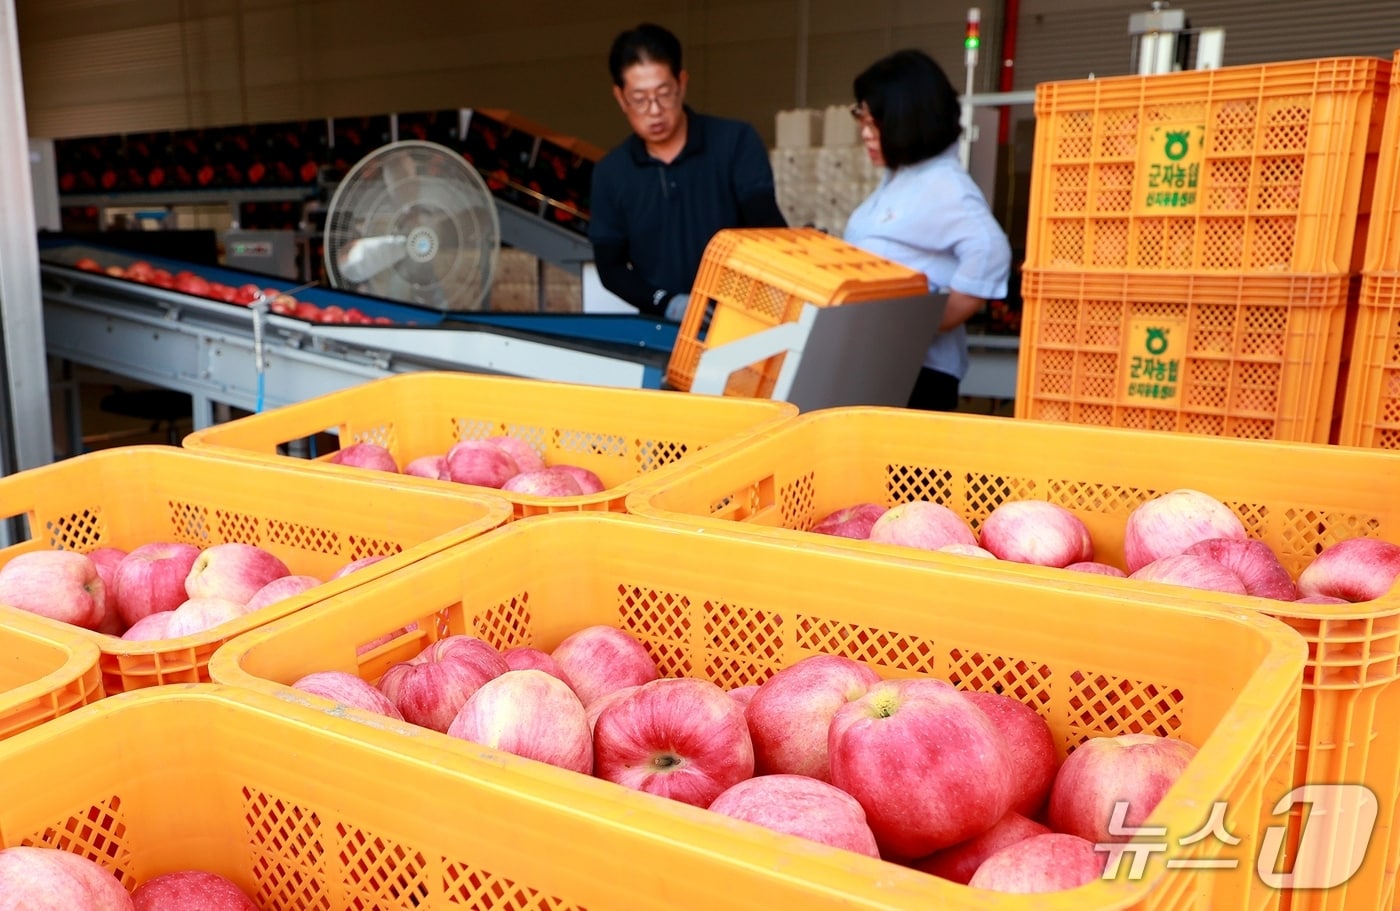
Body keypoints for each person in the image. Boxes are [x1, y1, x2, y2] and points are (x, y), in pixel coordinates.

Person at [842, 49, 1012, 412]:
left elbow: (991, 249)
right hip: (882, 360)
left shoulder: (945, 185)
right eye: (863, 122)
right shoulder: (901, 177)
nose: (866, 136)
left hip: (918, 373)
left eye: (875, 125)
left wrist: (938, 320)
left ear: (907, 121)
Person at [588, 23, 787, 322]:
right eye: (639, 99)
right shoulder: (611, 173)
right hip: (661, 326)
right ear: (620, 97)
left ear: (682, 83)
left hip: (741, 320)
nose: (654, 110)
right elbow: (610, 268)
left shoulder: (734, 142)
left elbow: (767, 231)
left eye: (664, 93)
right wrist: (668, 303)